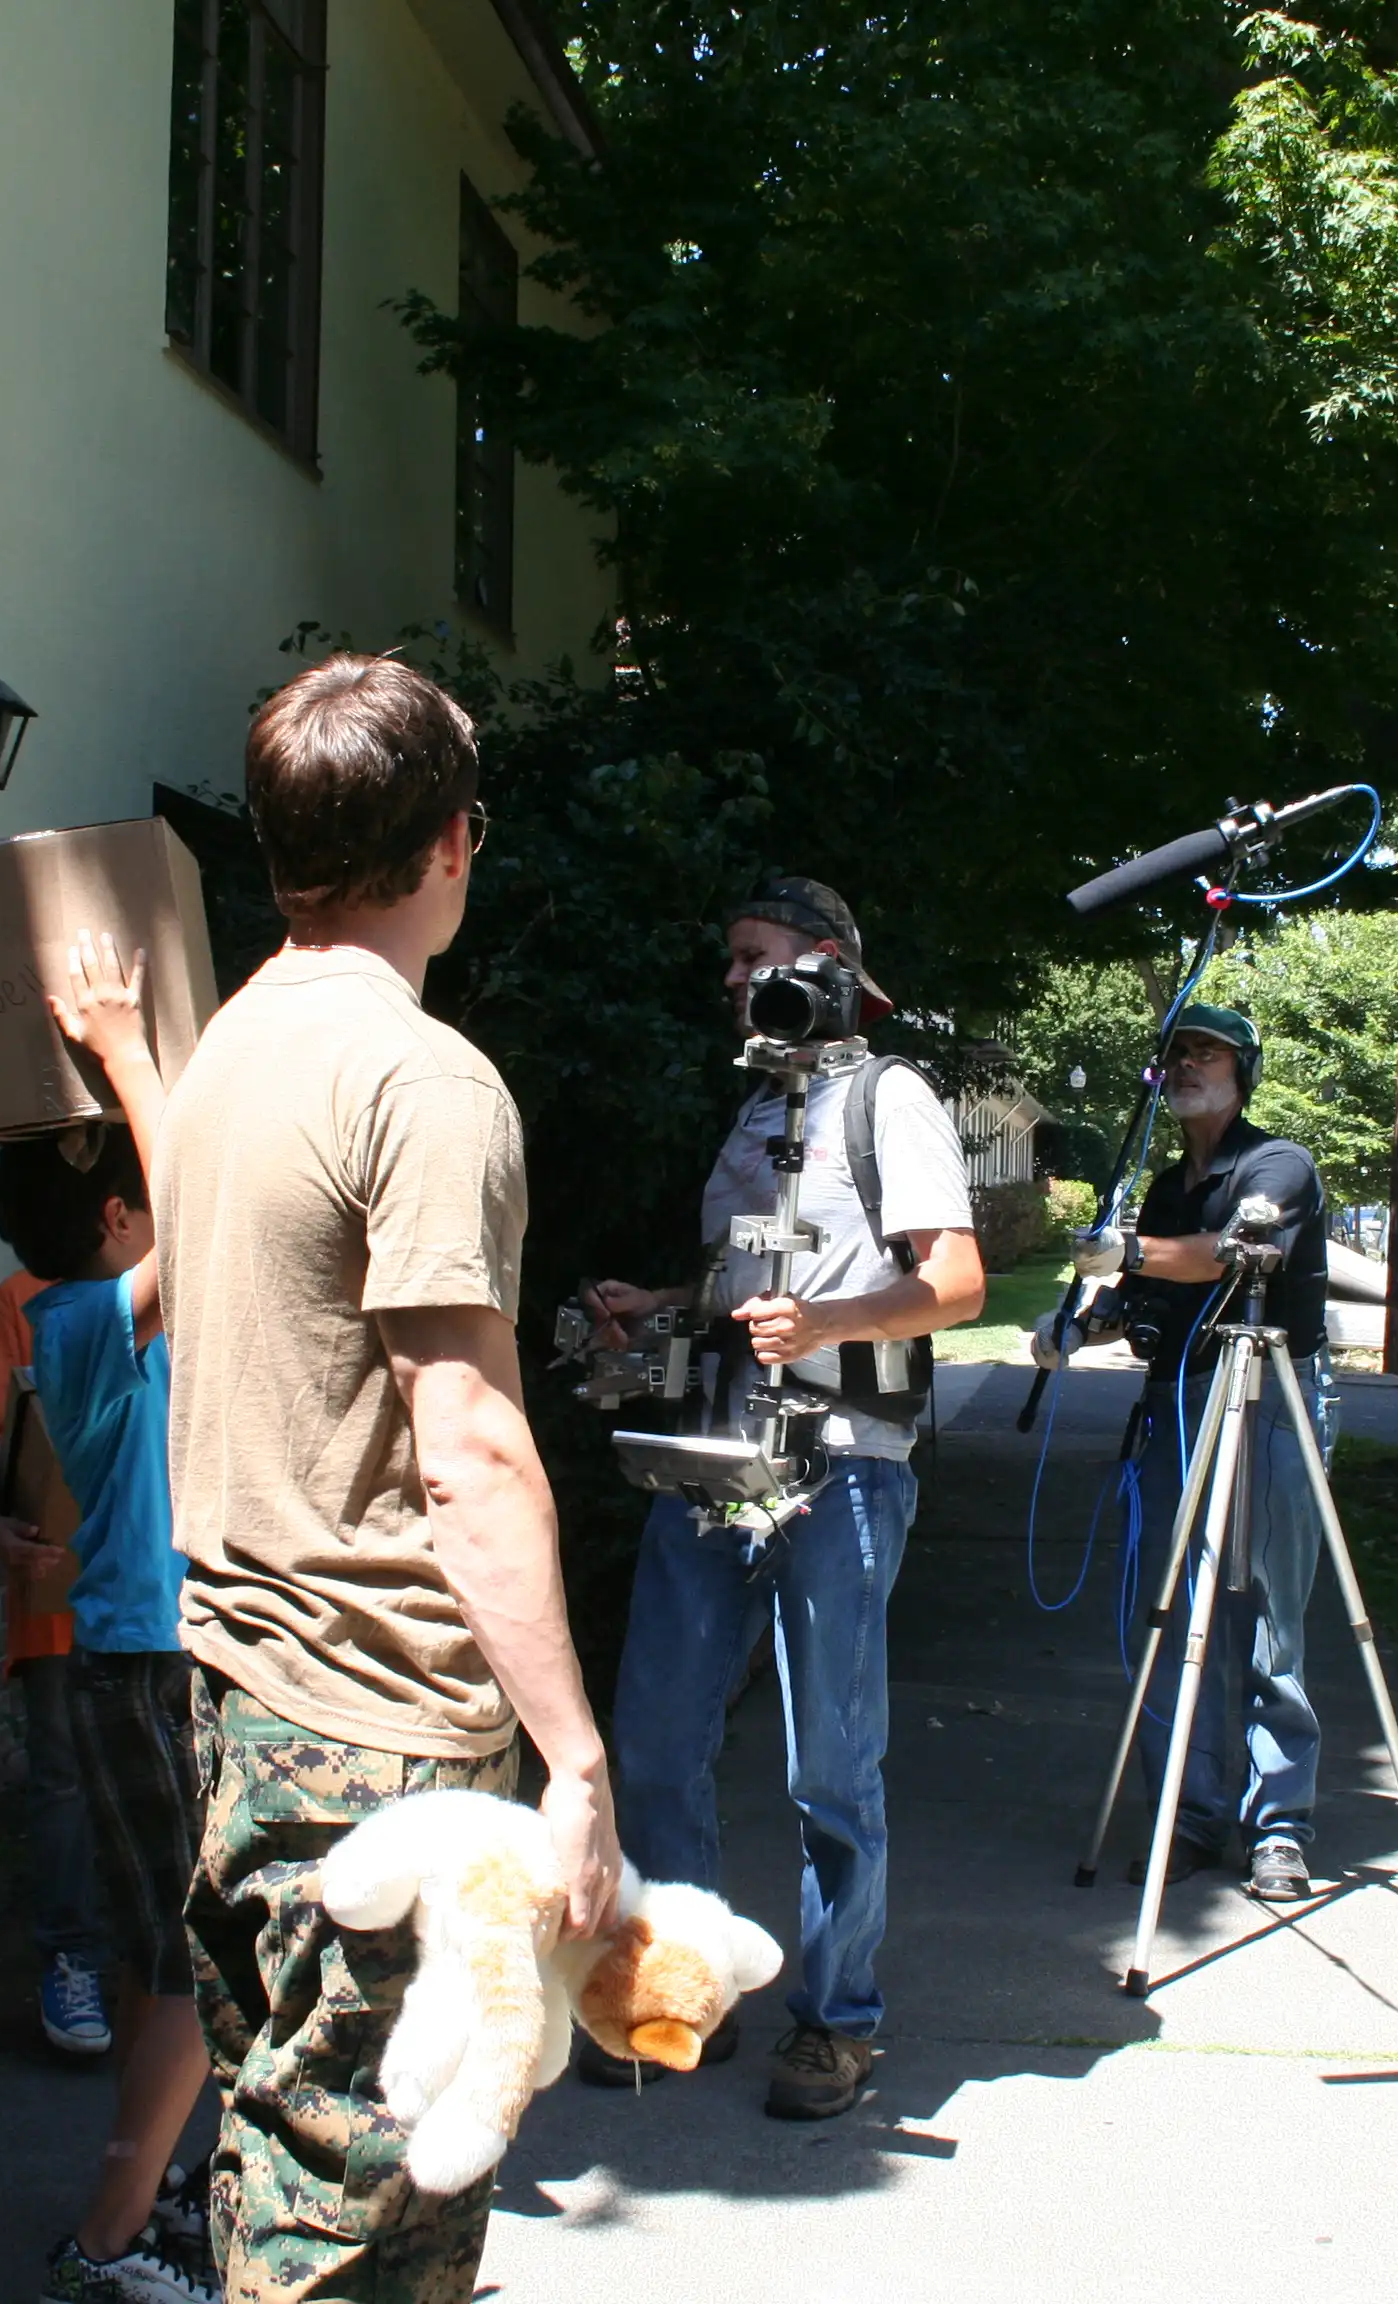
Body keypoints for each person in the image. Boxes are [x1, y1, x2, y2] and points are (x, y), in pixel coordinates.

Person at [157, 654, 621, 2304]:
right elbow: (473, 1447)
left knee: (282, 2148)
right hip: (373, 1726)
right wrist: (573, 1755)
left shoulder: (228, 1050)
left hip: (229, 1697)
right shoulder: (424, 1082)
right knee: (361, 2200)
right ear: (448, 844)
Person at [574, 877, 987, 2121]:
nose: (732, 979)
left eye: (750, 956)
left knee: (831, 1765)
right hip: (713, 1456)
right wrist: (663, 1303)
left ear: (821, 960)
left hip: (845, 1466)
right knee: (653, 1740)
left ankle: (838, 2019)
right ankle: (684, 1993)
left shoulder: (890, 1097)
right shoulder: (757, 1111)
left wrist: (828, 1323)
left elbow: (957, 1283)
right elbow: (740, 1290)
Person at [0, 933, 213, 2304]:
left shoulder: (64, 1313)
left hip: (123, 1656)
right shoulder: (80, 1322)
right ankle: (112, 2238)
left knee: (149, 1944)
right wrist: (127, 1047)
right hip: (151, 1660)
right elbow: (207, 1210)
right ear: (122, 1227)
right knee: (194, 1955)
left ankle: (170, 2176)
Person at [1036, 1004, 1334, 1906]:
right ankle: (1192, 1816)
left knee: (1270, 1613)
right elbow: (1141, 1293)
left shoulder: (1280, 1164)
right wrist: (1082, 1328)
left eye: (1207, 1053)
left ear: (1244, 1071)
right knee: (1177, 1615)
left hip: (1270, 1395)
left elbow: (1233, 1254)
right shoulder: (1167, 1187)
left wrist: (1127, 1250)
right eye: (1175, 1054)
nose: (1187, 1066)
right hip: (1179, 1402)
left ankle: (1279, 1827)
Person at [0, 1269, 117, 2059]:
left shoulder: (187, 1269)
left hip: (165, 1587)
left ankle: (164, 1968)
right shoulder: (17, 1297)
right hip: (62, 1582)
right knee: (65, 1777)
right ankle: (72, 1955)